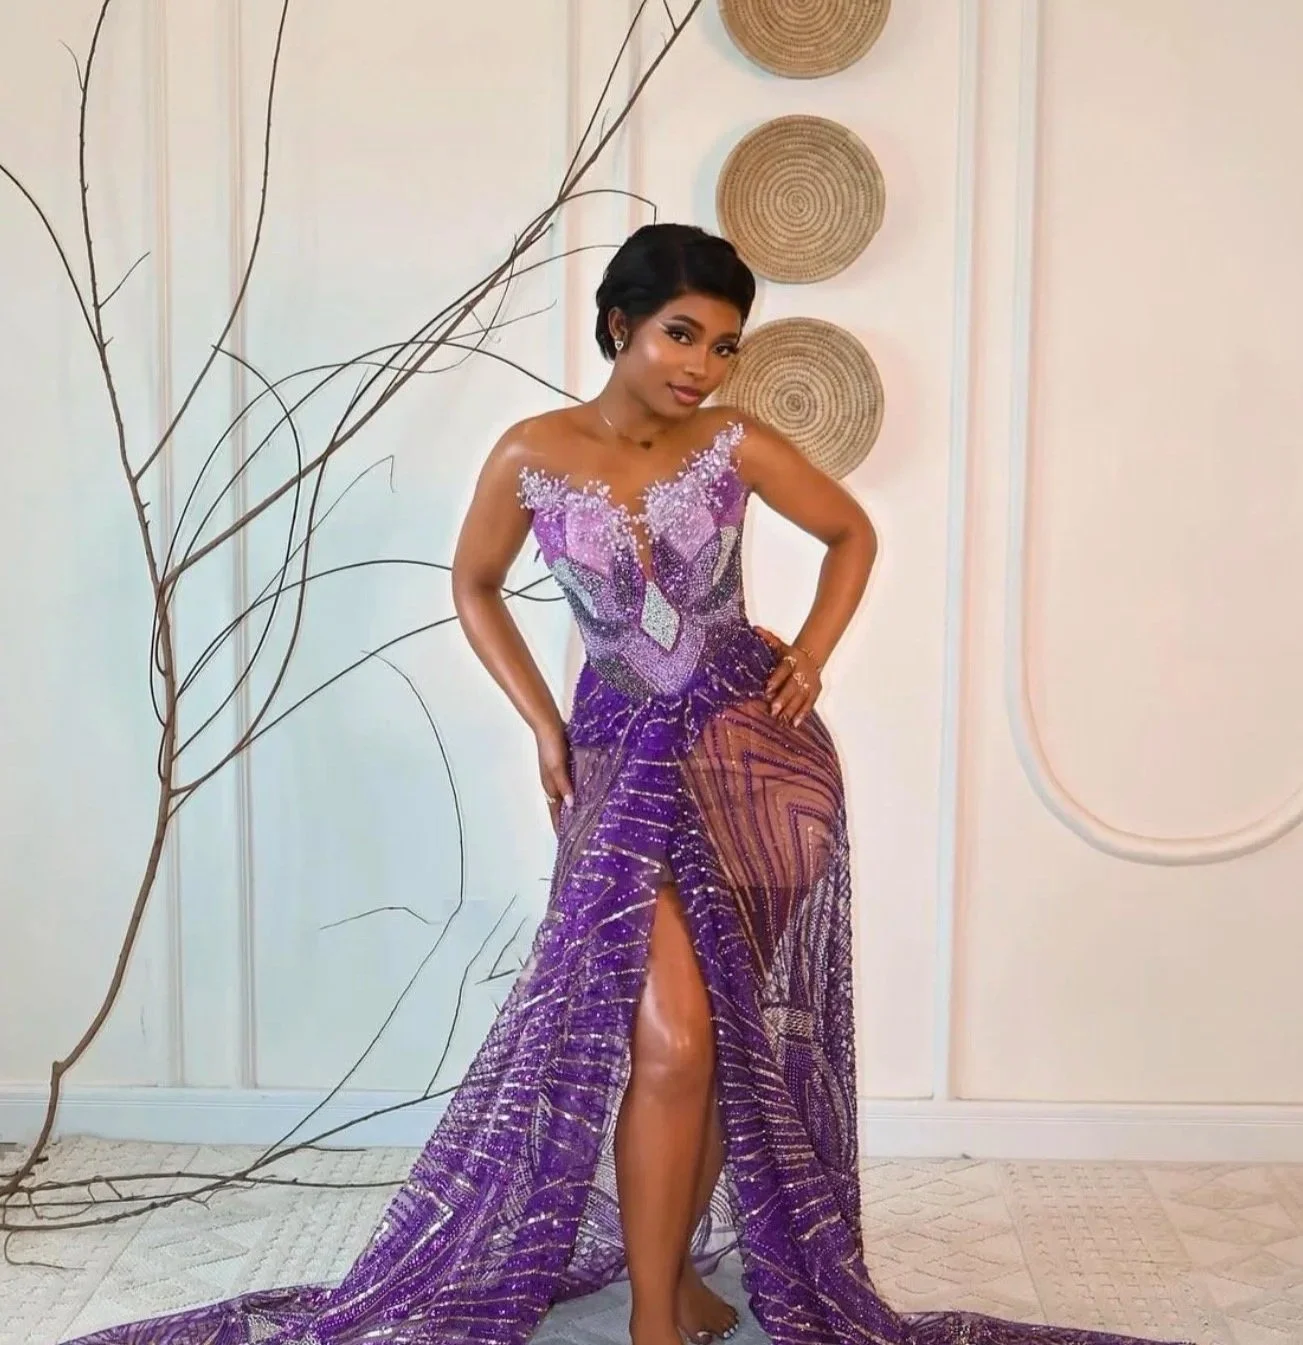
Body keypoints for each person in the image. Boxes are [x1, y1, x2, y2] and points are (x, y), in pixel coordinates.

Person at [69, 225, 1194, 1345]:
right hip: (620, 760)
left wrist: (808, 653)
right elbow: (475, 583)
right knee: (672, 1040)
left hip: (760, 764)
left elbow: (851, 533)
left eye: (723, 345)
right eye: (679, 333)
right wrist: (544, 725)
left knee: (722, 1040)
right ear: (620, 322)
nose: (699, 365)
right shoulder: (530, 454)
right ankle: (655, 1313)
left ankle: (682, 1277)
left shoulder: (735, 442)